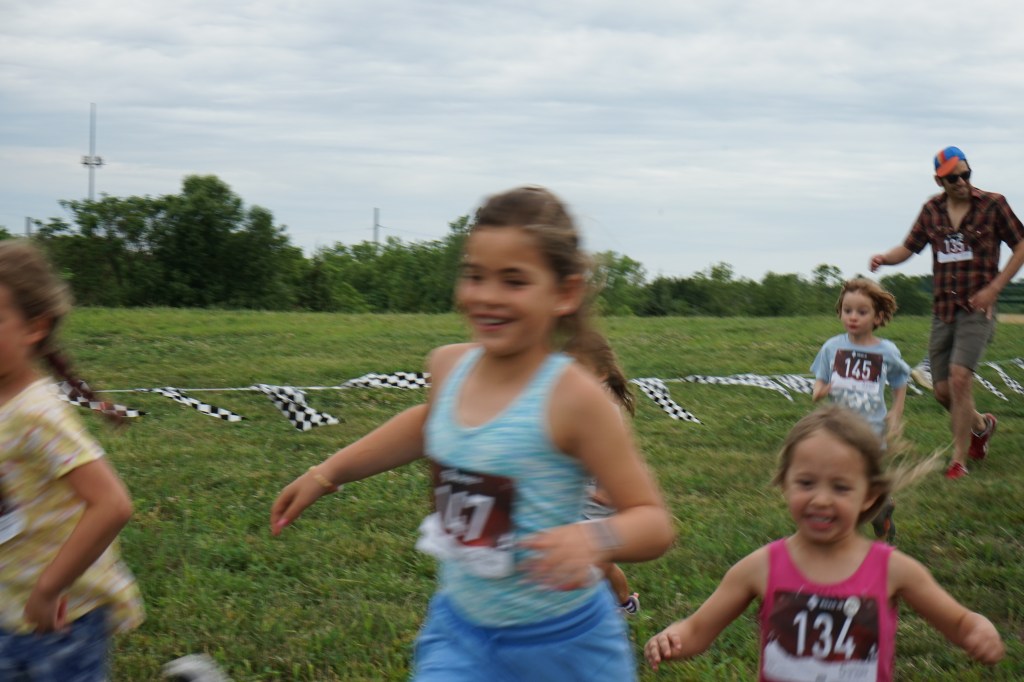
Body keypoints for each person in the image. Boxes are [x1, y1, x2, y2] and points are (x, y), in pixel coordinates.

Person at [271, 186, 674, 681]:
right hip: (461, 634)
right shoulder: (448, 365)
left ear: (564, 293)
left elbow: (653, 523)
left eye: (514, 281)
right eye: (474, 275)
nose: (486, 296)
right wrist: (327, 472)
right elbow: (425, 425)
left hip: (566, 646)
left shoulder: (575, 398)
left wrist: (595, 538)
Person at [644, 405, 1005, 681]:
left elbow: (958, 621)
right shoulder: (761, 567)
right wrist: (674, 638)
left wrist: (977, 629)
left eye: (841, 487)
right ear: (785, 483)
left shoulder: (893, 569)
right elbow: (698, 630)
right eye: (806, 483)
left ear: (868, 495)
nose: (820, 500)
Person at [0, 240, 143, 680]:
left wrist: (48, 589)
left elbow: (112, 504)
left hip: (61, 619)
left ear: (34, 328)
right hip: (8, 607)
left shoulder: (36, 414)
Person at [870, 145, 1024, 479]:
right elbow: (908, 247)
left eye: (966, 174)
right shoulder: (932, 210)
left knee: (959, 377)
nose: (962, 182)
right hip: (943, 310)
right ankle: (981, 426)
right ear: (939, 181)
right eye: (953, 178)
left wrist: (995, 288)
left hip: (977, 309)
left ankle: (959, 460)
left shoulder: (993, 205)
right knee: (942, 391)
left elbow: (1021, 244)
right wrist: (884, 258)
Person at [810, 278, 910, 542]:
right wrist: (819, 390)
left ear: (878, 317)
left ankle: (878, 509)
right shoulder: (832, 347)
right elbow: (820, 380)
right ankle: (851, 526)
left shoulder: (886, 351)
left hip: (872, 429)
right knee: (841, 478)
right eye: (847, 310)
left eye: (862, 312)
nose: (853, 317)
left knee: (861, 478)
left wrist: (897, 411)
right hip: (838, 428)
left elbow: (900, 379)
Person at [564, 329, 641, 615]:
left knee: (598, 562)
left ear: (601, 374)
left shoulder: (606, 412)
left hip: (598, 498)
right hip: (574, 494)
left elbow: (616, 456)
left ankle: (623, 603)